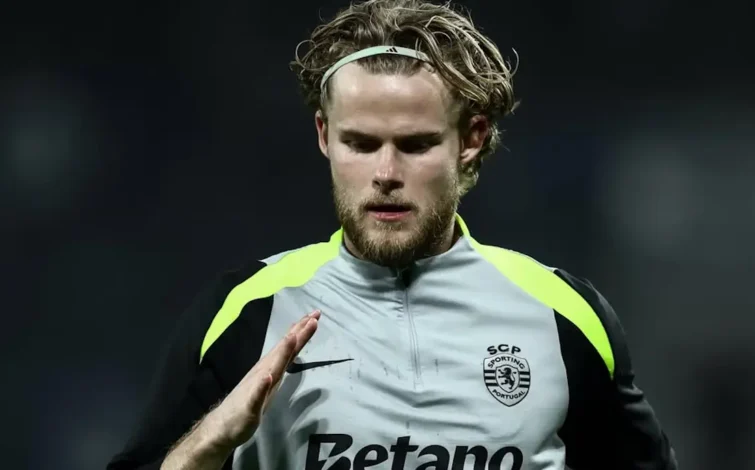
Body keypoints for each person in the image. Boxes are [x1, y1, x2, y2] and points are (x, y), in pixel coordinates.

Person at [107, 0, 678, 469]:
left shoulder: (562, 315)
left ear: (471, 139)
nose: (385, 173)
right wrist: (207, 445)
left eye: (415, 144)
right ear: (324, 136)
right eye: (360, 143)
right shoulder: (246, 313)